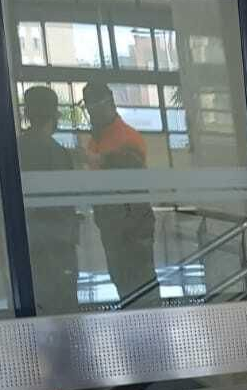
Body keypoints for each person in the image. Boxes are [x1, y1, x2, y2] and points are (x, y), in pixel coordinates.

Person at [82, 81, 155, 305]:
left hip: (132, 227)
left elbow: (129, 167)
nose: (92, 115)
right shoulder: (96, 140)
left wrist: (99, 160)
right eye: (89, 109)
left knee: (141, 285)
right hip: (112, 226)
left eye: (95, 108)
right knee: (122, 281)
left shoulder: (127, 137)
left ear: (110, 105)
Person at [17, 86, 79, 314]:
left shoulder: (16, 148)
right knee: (63, 306)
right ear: (54, 115)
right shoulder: (56, 153)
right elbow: (66, 198)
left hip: (28, 238)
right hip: (56, 240)